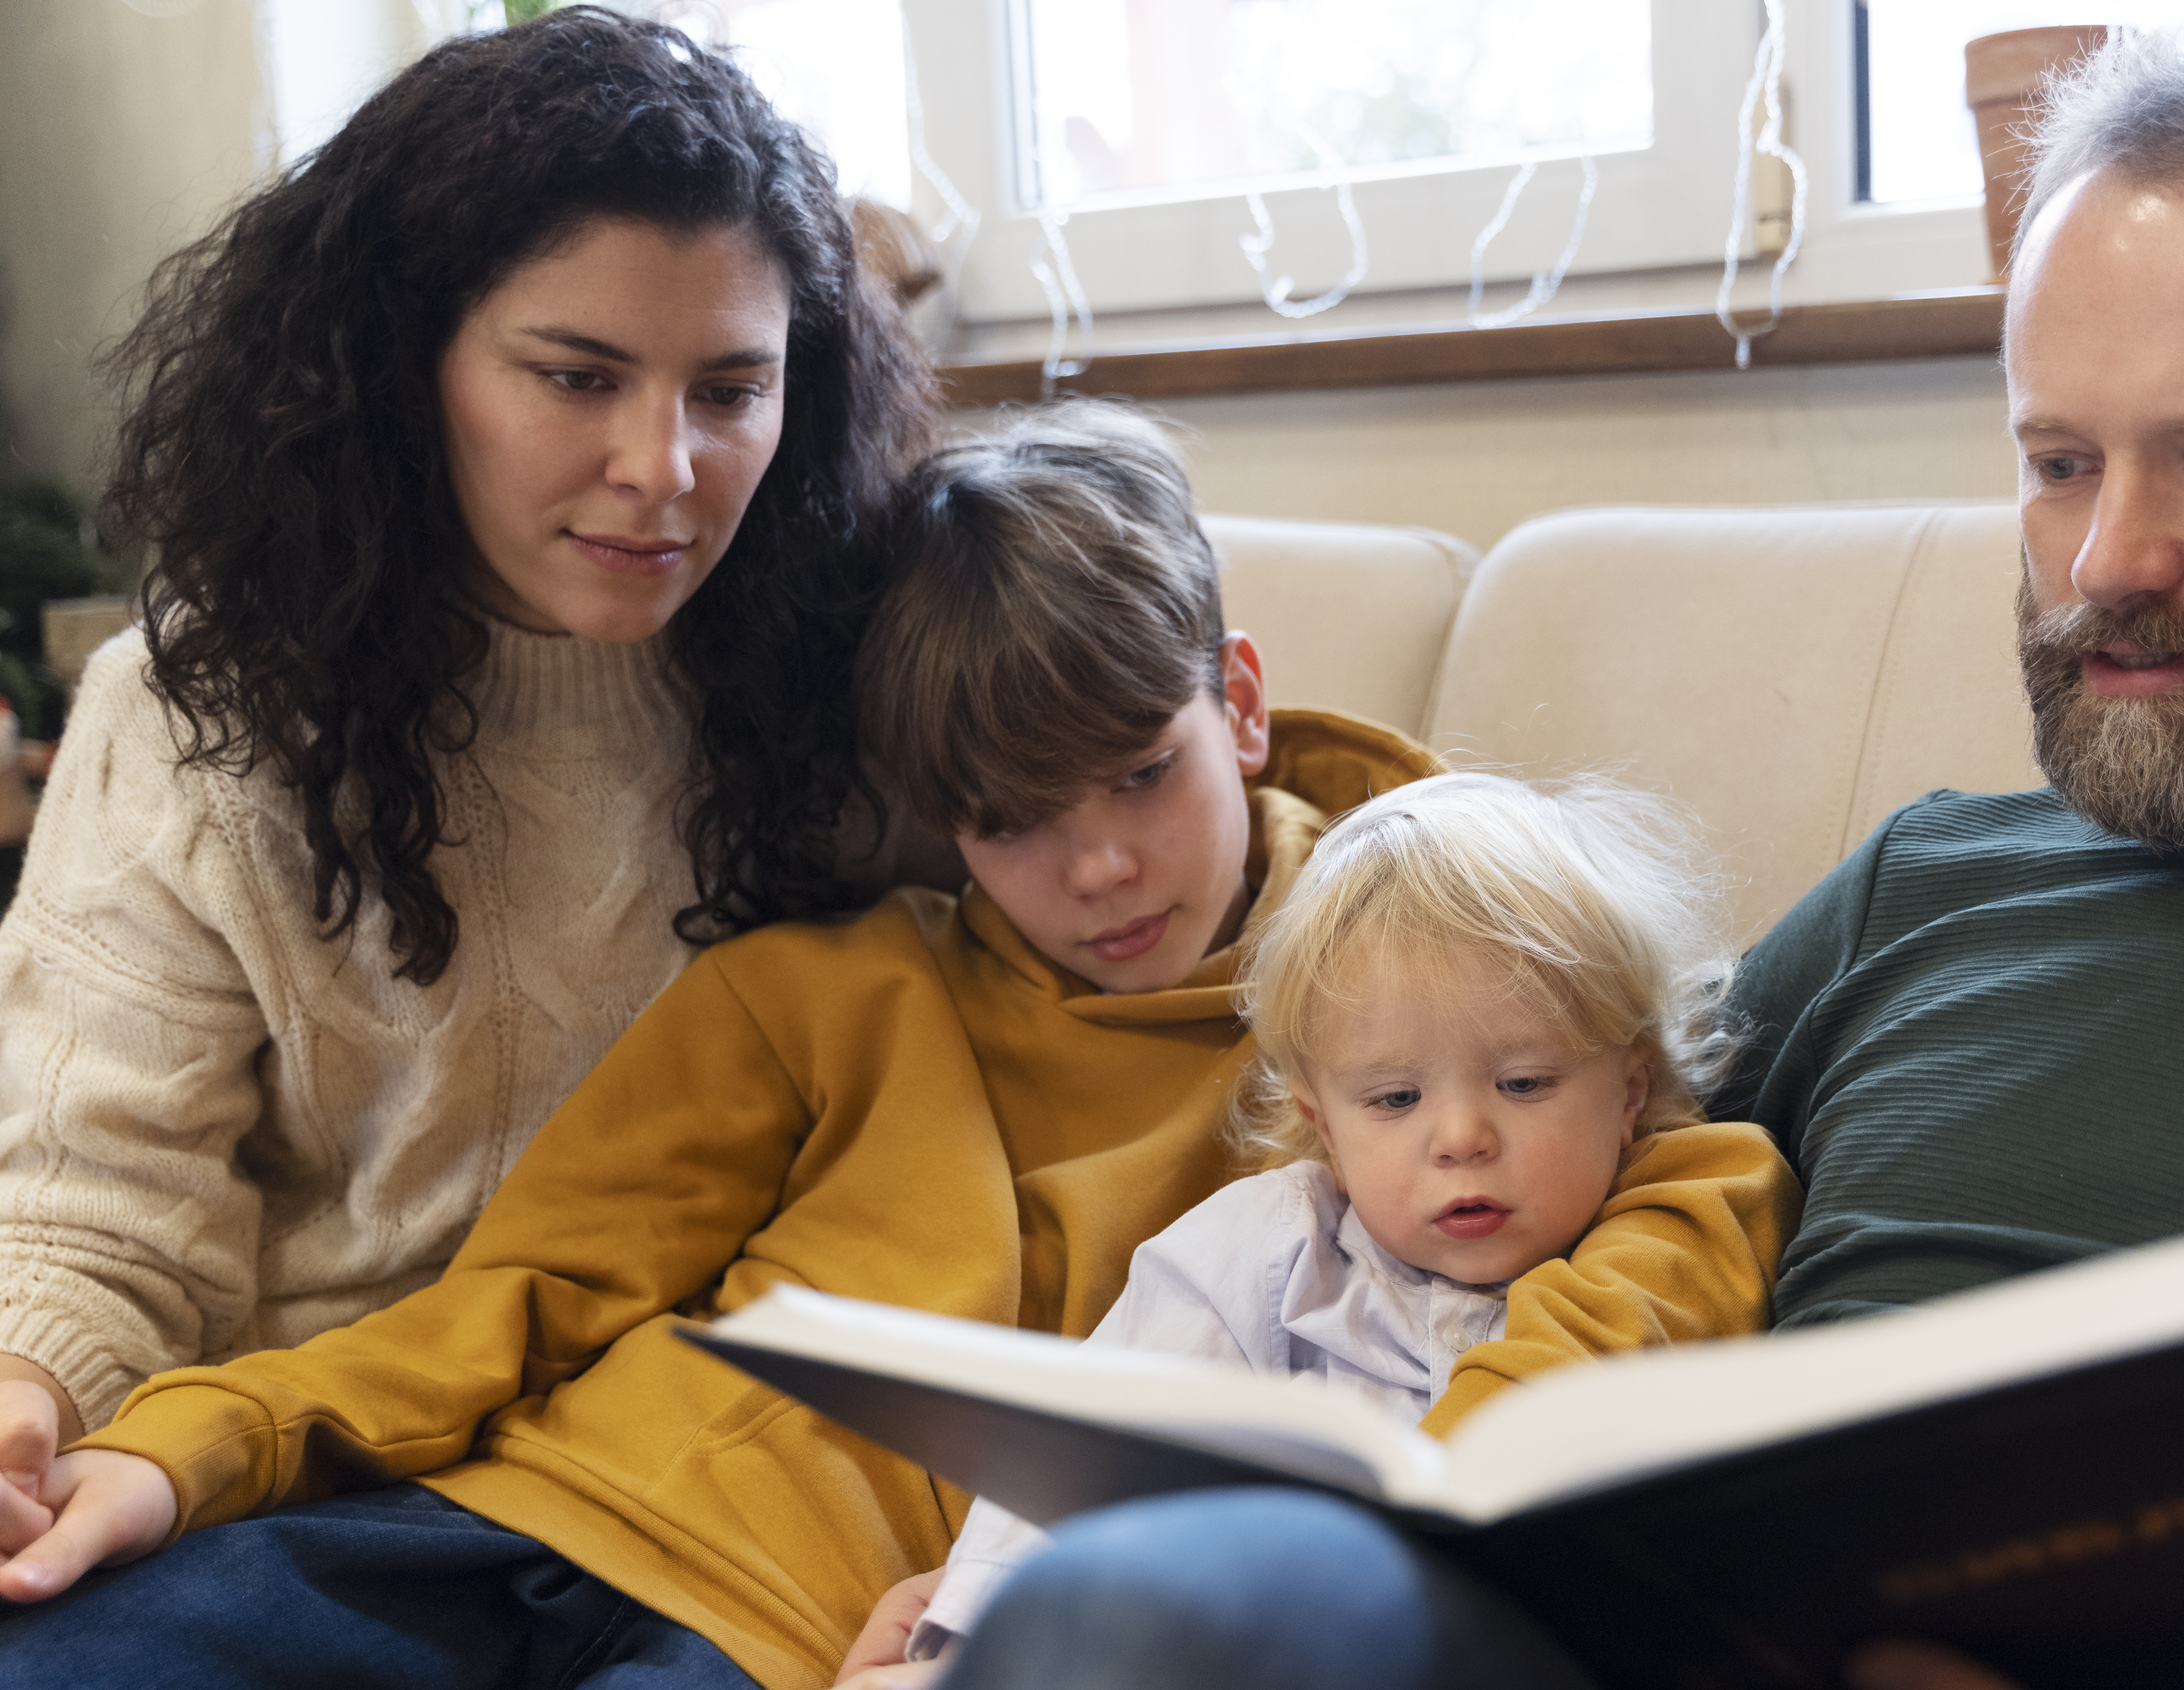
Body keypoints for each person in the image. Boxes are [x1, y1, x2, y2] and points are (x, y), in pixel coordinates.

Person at [892, 24, 2184, 1690]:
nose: (2107, 558)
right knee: (1126, 1612)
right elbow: (1508, 1164)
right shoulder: (1927, 892)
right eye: (2056, 463)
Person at [0, 407, 1795, 1690]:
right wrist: (197, 1444)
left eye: (1138, 773)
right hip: (519, 1506)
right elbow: (512, 1301)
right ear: (934, 824)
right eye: (1008, 821)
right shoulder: (822, 989)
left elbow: (1675, 1187)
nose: (1094, 868)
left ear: (1236, 704)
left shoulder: (1416, 1022)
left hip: (791, 1634)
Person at [0, 5, 934, 1499]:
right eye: (575, 376)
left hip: (703, 1468)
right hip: (296, 1461)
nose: (664, 470)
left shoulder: (862, 674)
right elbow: (94, 1209)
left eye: (730, 390)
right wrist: (29, 1397)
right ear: (398, 365)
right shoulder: (187, 717)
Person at [826, 771, 1795, 1682]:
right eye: (1395, 1097)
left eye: (1525, 1082)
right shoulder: (1269, 1246)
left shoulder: (1679, 1201)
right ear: (1323, 1126)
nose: (1460, 1136)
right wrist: (965, 1639)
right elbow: (1095, 1456)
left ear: (1630, 1089)